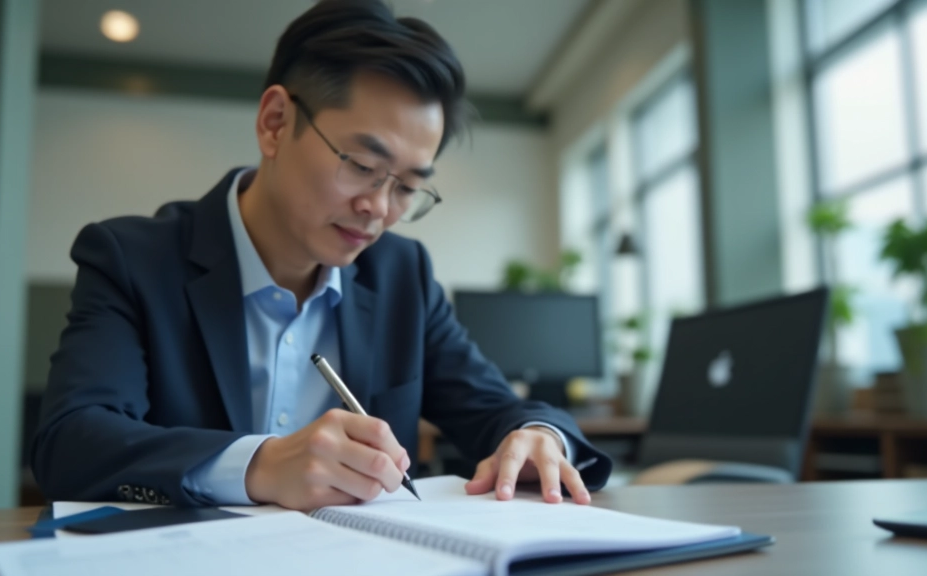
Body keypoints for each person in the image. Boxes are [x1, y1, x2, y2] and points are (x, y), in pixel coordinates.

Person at [32, 0, 612, 511]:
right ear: (275, 123)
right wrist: (259, 465)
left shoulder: (402, 277)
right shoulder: (133, 259)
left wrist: (539, 434)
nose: (379, 208)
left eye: (408, 187)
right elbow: (71, 441)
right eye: (361, 165)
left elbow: (495, 408)